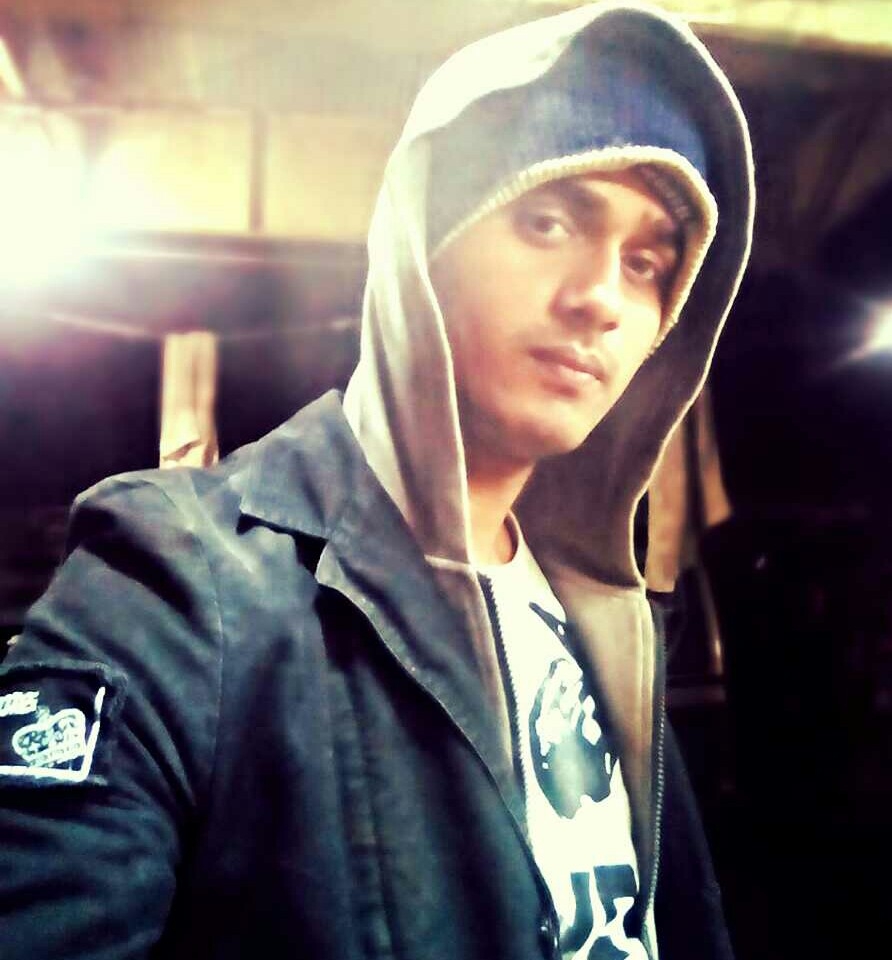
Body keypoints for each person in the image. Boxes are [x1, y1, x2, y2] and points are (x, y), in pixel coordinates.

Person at [0, 3, 753, 958]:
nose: (602, 297)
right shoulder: (178, 582)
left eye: (646, 263)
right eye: (549, 220)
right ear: (420, 243)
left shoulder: (607, 617)